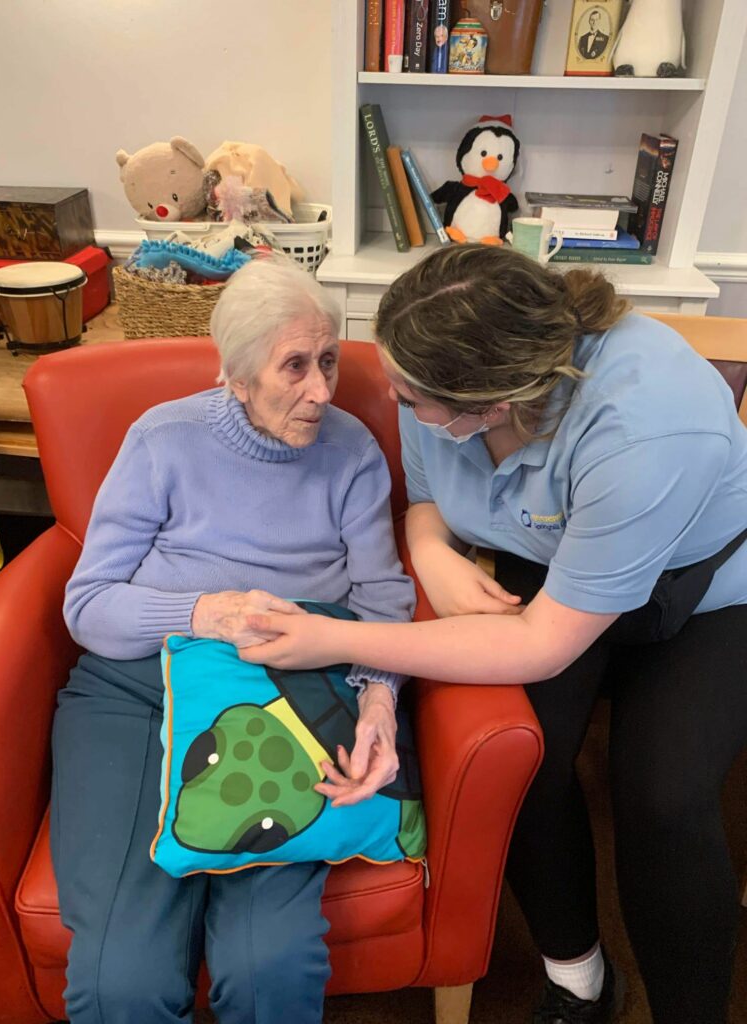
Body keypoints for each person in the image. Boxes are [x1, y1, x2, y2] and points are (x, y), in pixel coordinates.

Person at [241, 244, 747, 1024]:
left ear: (496, 403)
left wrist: (335, 640)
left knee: (663, 797)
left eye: (413, 400)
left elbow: (542, 643)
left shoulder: (647, 426)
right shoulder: (430, 373)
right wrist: (431, 551)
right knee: (523, 762)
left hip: (702, 592)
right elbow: (427, 499)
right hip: (544, 562)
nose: (389, 399)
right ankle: (580, 980)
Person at [51, 255, 415, 1024]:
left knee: (269, 967)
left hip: (288, 689)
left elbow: (382, 597)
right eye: (295, 366)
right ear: (238, 376)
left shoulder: (351, 451)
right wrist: (202, 613)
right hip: (138, 694)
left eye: (327, 360)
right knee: (121, 977)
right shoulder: (163, 439)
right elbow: (88, 606)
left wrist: (379, 700)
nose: (323, 391)